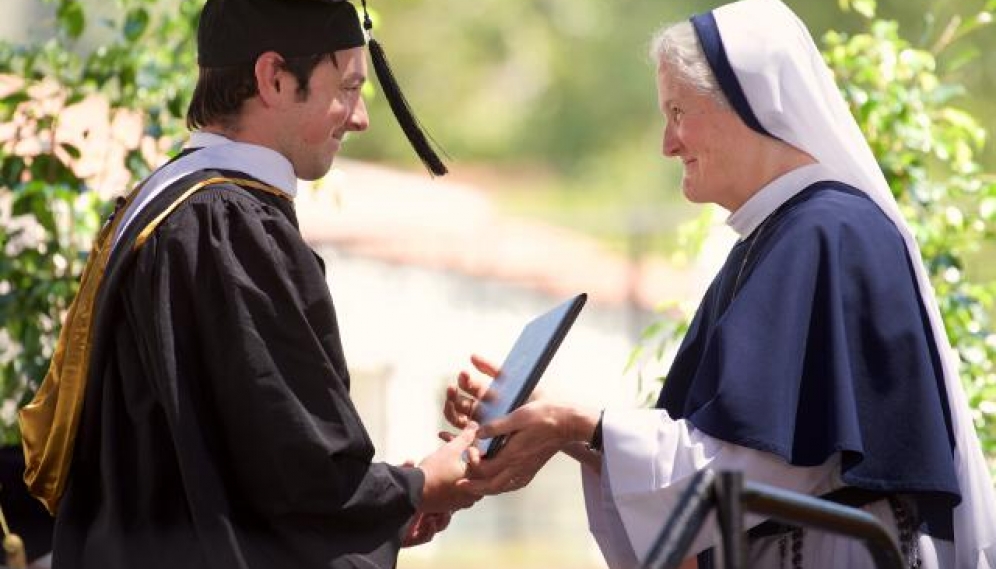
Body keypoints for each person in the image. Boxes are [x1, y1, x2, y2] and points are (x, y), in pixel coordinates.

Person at [442, 1, 996, 568]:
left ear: (751, 105)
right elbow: (729, 464)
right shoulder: (782, 237)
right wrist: (565, 430)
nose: (668, 143)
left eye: (678, 111)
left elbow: (768, 464)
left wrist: (580, 424)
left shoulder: (826, 232)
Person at [17, 0, 480, 567]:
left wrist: (387, 507)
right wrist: (416, 488)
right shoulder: (227, 226)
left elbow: (237, 458)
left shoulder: (168, 205)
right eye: (348, 88)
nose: (359, 118)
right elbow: (296, 472)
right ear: (275, 78)